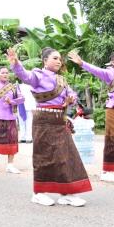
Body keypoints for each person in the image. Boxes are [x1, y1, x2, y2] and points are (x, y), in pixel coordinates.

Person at [8, 47, 92, 207]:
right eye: (54, 58)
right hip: (44, 120)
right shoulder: (38, 75)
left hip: (59, 120)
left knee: (66, 156)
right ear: (45, 61)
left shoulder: (61, 79)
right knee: (44, 157)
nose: (58, 61)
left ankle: (66, 193)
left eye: (60, 59)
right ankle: (38, 193)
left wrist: (71, 98)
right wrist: (16, 63)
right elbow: (24, 76)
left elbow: (72, 94)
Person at [68, 51, 114, 182]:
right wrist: (82, 63)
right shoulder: (110, 73)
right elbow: (96, 70)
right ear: (113, 62)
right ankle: (106, 171)